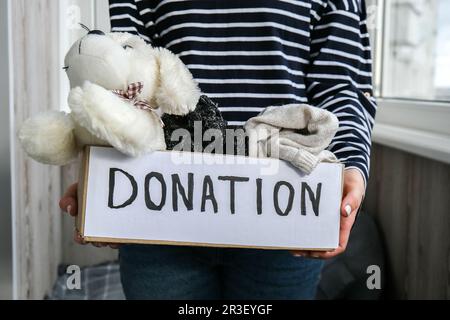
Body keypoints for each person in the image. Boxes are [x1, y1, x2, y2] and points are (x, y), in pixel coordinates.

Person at [59, 0, 375, 299]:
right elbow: (125, 79)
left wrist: (351, 167)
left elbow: (338, 84)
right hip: (161, 207)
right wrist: (102, 169)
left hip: (285, 205)